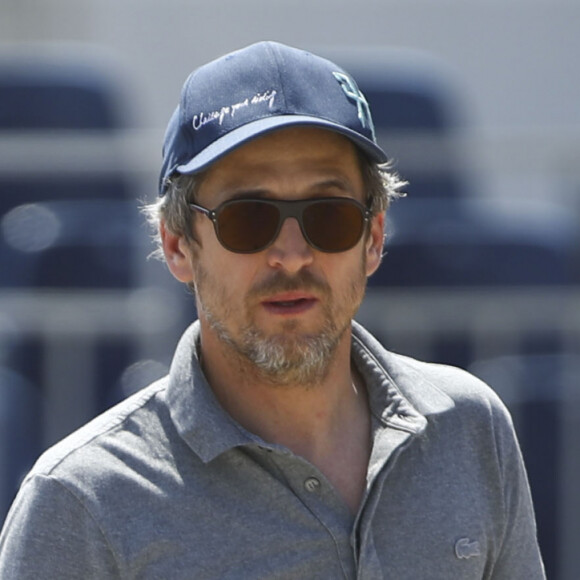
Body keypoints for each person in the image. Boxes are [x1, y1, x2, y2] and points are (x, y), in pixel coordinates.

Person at [0, 41, 545, 579]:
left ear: (374, 237)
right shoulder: (81, 500)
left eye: (329, 215)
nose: (291, 255)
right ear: (176, 245)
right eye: (248, 218)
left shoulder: (470, 427)